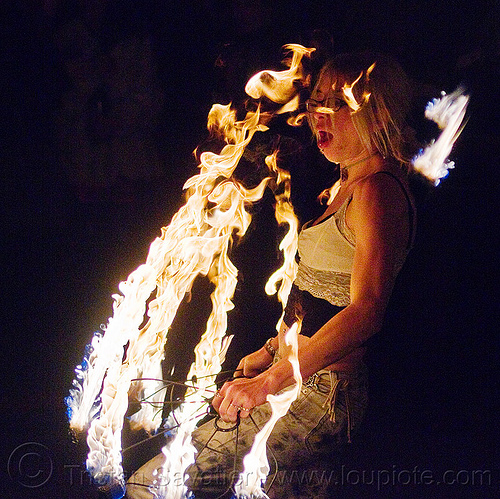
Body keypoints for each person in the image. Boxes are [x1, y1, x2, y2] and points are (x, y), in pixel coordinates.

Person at [126, 50, 418, 499]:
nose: (319, 112)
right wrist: (270, 352)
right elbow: (318, 295)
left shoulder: (379, 192)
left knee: (151, 486)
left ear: (375, 113)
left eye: (338, 102)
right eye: (317, 99)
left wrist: (271, 381)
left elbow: (366, 311)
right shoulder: (346, 186)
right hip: (301, 379)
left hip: (321, 394)